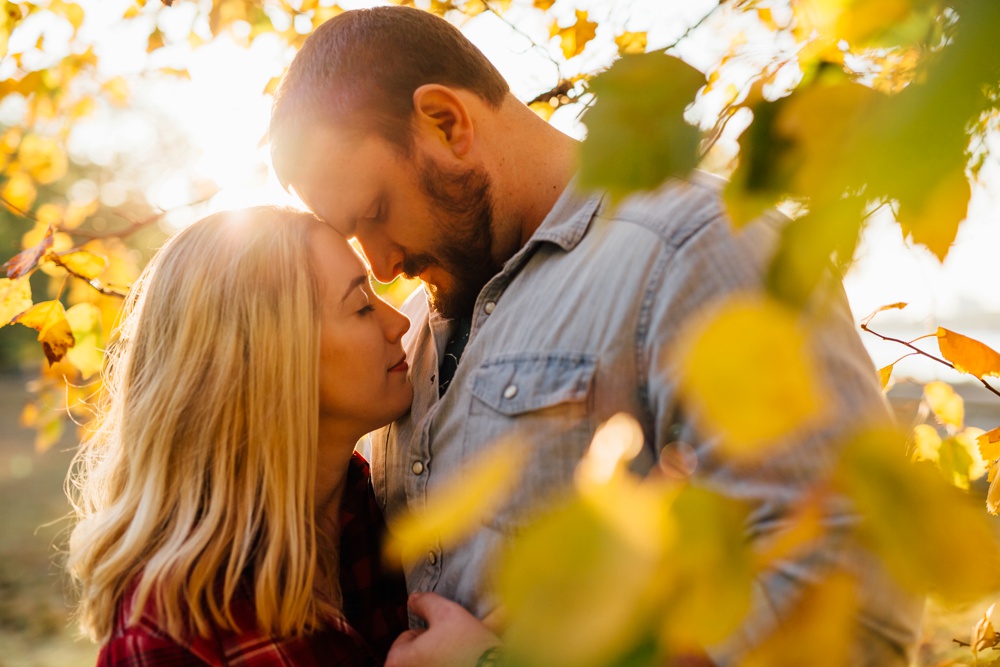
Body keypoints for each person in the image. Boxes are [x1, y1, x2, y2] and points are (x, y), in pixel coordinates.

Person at [268, 6, 924, 665]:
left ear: (446, 121)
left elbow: (858, 603)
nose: (379, 265)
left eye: (376, 213)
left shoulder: (694, 245)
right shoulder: (410, 339)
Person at [65, 206, 498, 666]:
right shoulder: (172, 637)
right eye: (361, 306)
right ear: (274, 360)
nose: (400, 323)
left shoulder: (366, 514)